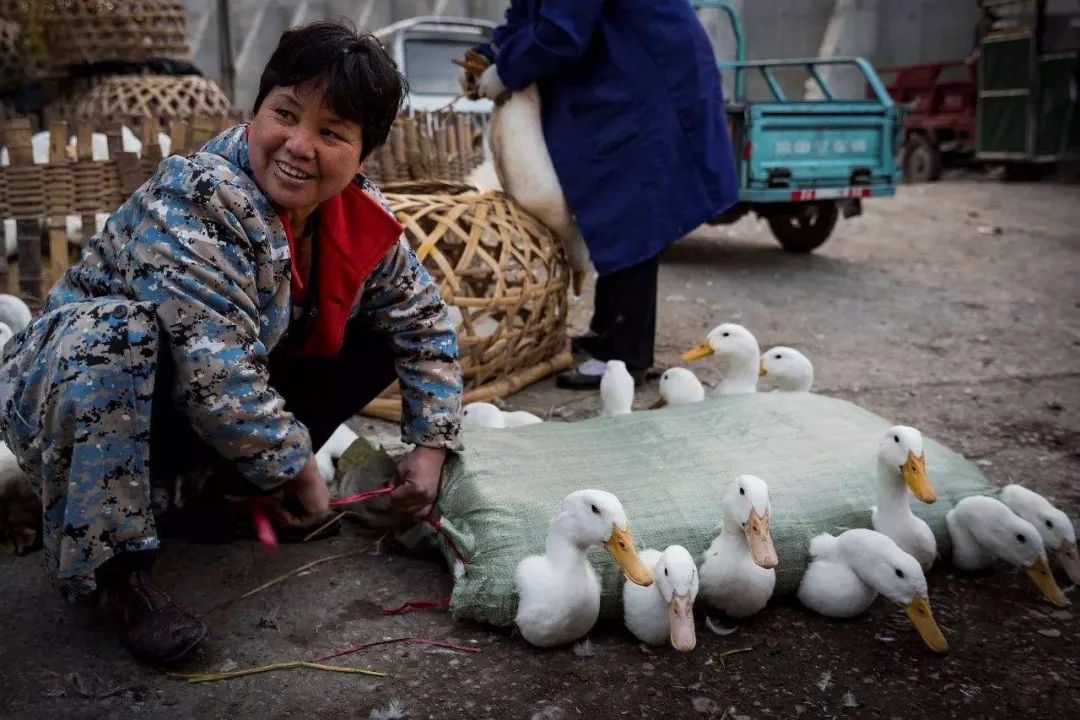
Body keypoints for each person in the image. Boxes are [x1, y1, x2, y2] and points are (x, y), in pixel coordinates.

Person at [0, 21, 463, 665]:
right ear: (255, 110)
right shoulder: (196, 198)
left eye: (331, 133)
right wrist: (294, 465)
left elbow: (423, 320)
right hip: (83, 398)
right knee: (115, 333)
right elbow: (213, 366)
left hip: (179, 407)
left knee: (376, 331)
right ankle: (117, 575)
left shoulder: (354, 217)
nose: (299, 146)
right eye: (285, 114)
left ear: (363, 155)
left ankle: (211, 495)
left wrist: (431, 443)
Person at [465, 0, 739, 388]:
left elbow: (562, 31)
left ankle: (625, 356)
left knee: (630, 214)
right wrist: (490, 55)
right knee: (614, 213)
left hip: (645, 81)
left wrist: (508, 69)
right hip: (618, 77)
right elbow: (529, 12)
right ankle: (608, 333)